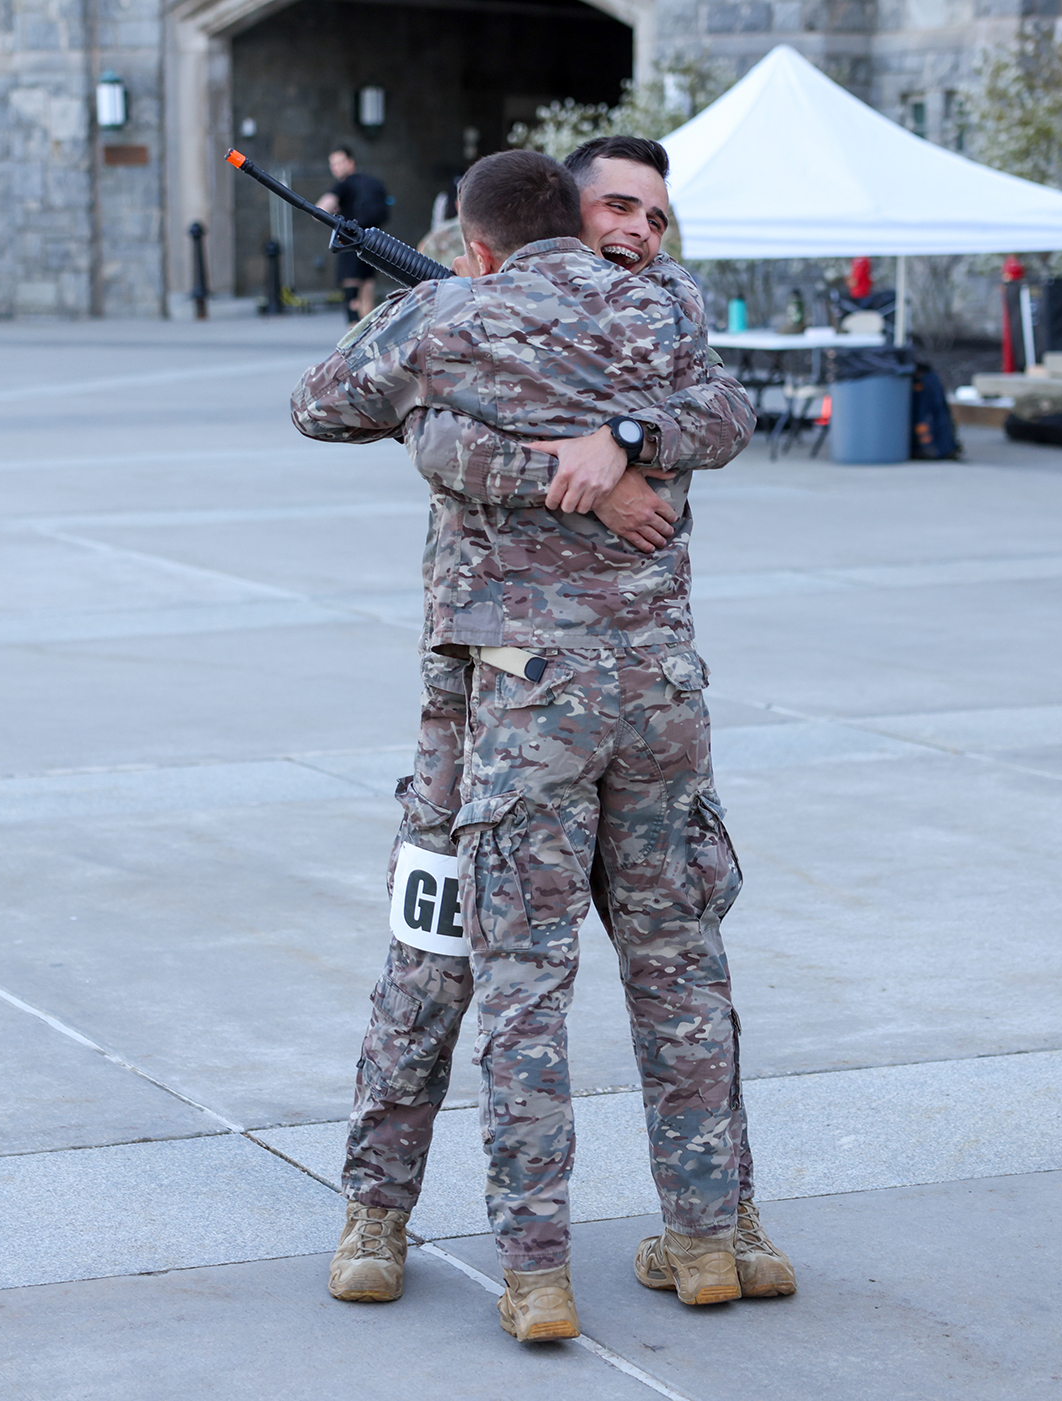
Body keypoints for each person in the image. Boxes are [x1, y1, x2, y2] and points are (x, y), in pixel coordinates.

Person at [293, 147, 776, 1341]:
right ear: (569, 204)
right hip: (574, 702)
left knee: (541, 985)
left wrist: (568, 434)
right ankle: (391, 1214)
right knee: (456, 967)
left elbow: (322, 403)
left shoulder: (459, 315)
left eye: (656, 216)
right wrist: (590, 471)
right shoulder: (644, 316)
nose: (639, 233)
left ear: (481, 239)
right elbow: (726, 412)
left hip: (520, 693)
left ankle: (559, 1263)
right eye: (619, 206)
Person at [318, 146, 390, 323]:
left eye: (339, 163)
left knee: (351, 288)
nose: (336, 168)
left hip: (350, 242)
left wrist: (331, 212)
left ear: (350, 162)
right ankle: (370, 330)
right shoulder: (372, 182)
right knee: (367, 285)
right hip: (372, 241)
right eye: (333, 164)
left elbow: (320, 210)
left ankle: (353, 329)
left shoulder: (343, 185)